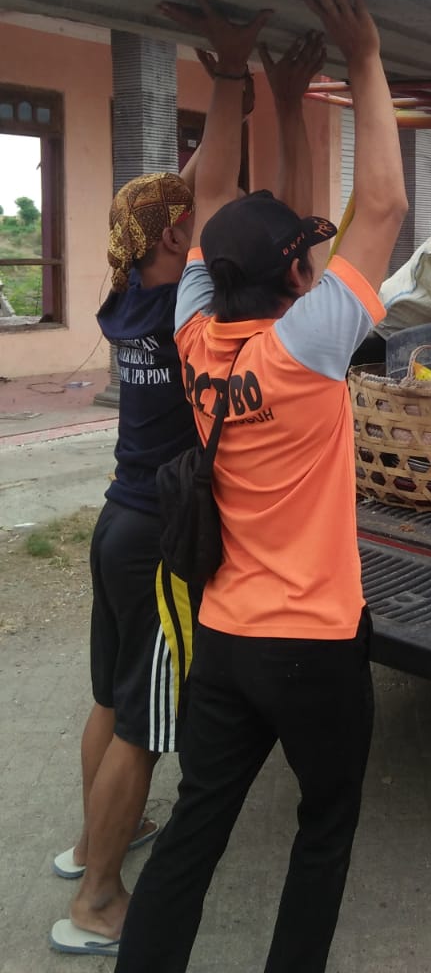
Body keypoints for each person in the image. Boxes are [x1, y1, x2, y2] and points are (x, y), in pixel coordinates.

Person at [115, 0, 407, 973]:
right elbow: (387, 203)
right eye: (309, 255)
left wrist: (246, 78)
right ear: (292, 275)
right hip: (315, 646)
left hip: (228, 642)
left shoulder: (198, 331)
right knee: (322, 834)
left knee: (196, 833)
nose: (321, 262)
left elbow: (211, 205)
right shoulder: (307, 345)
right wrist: (362, 57)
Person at [49, 172, 198, 957]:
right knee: (144, 724)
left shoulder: (126, 301)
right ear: (173, 235)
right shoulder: (183, 308)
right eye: (189, 218)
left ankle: (94, 840)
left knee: (109, 697)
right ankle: (97, 898)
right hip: (157, 539)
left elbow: (175, 198)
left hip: (117, 519)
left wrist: (233, 82)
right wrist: (238, 82)